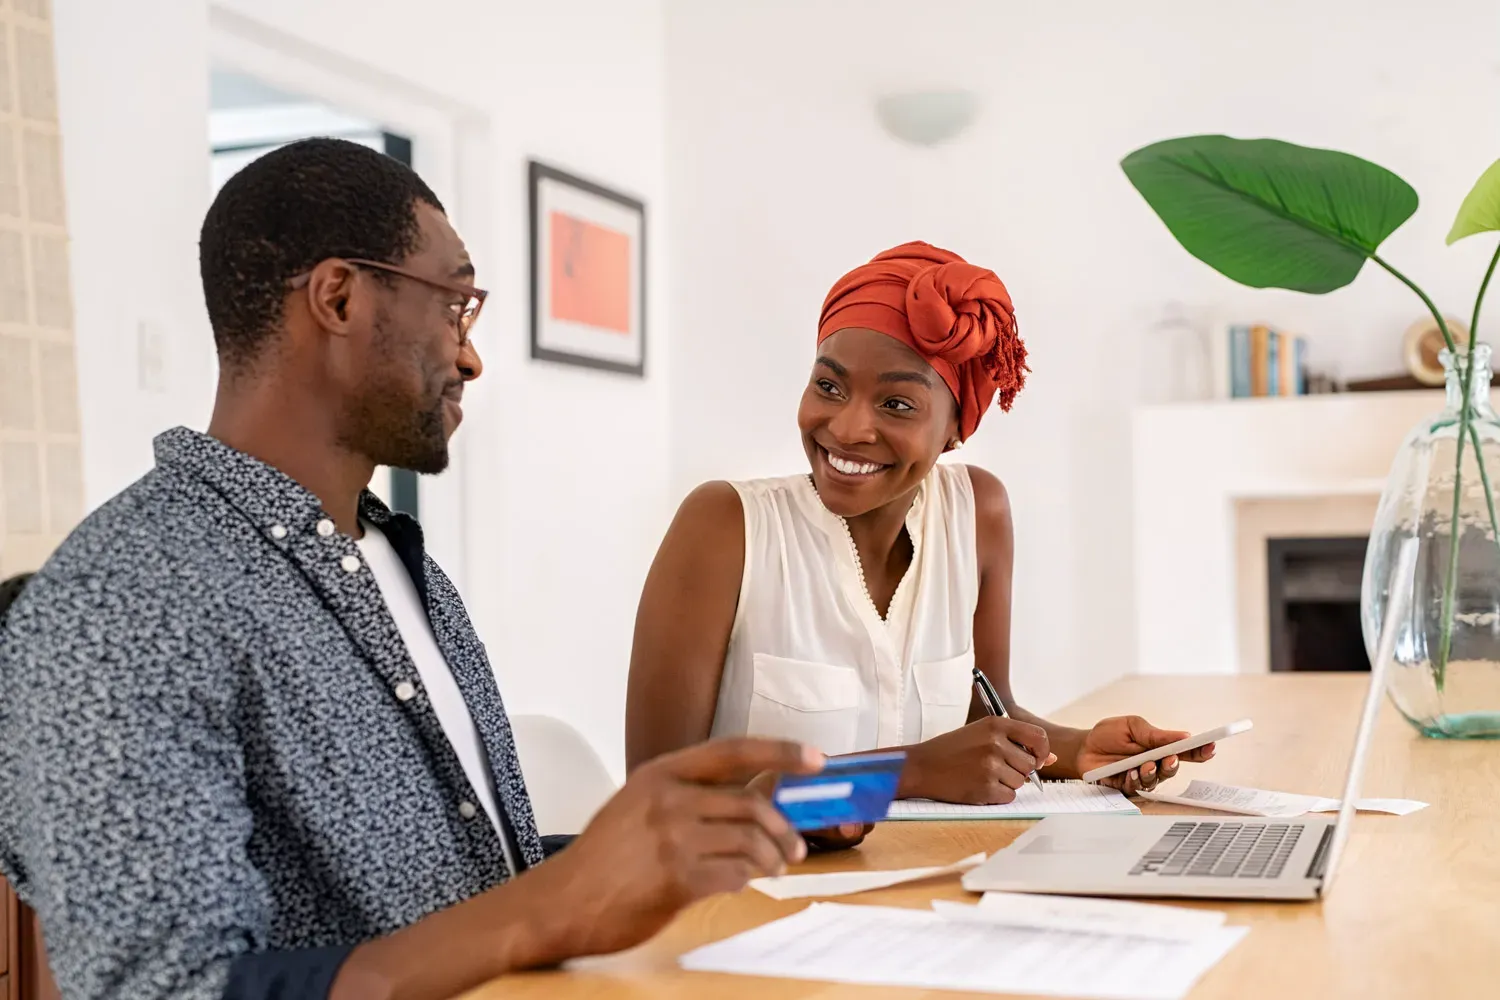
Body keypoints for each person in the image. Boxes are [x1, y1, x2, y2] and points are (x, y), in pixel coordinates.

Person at [0, 138, 823, 1000]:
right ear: (340, 296)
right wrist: (551, 906)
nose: (471, 356)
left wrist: (680, 842)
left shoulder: (391, 559)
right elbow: (169, 990)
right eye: (455, 305)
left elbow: (458, 895)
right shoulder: (118, 606)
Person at [626, 241, 1214, 807]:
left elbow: (985, 711)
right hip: (745, 899)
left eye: (896, 405)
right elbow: (658, 799)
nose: (849, 428)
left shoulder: (977, 511)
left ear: (956, 429)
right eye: (828, 386)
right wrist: (909, 772)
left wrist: (1080, 750)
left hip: (923, 882)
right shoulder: (726, 527)